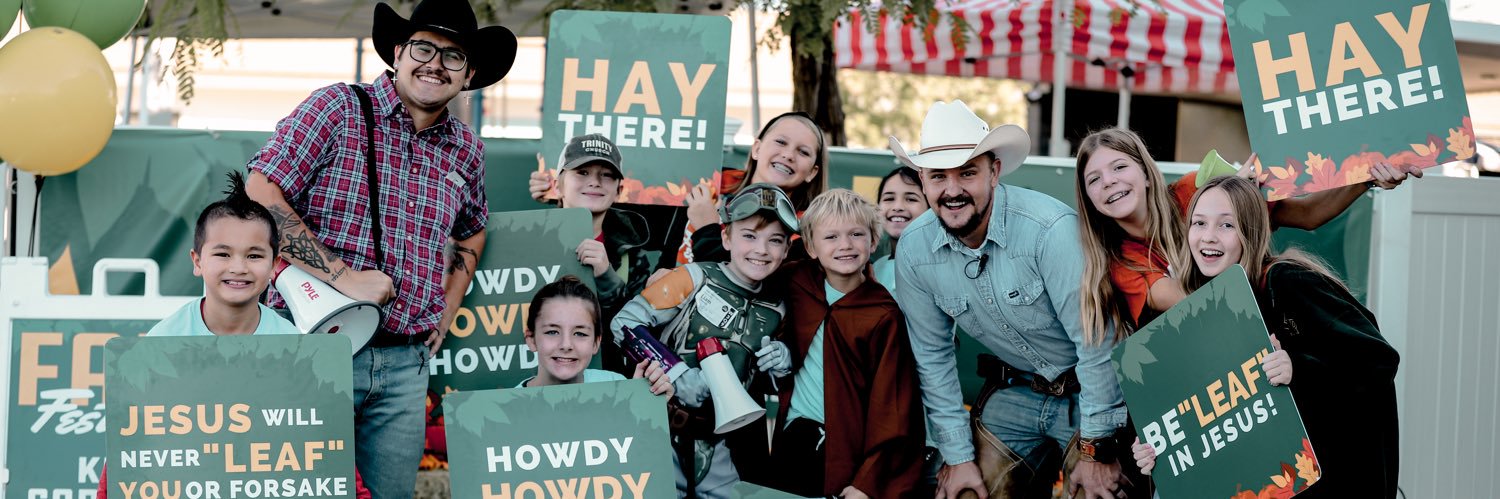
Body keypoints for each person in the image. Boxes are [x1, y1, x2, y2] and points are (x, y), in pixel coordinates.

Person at [242, 0, 516, 495]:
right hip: (314, 349)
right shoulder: (337, 108)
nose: (435, 64)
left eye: (453, 56)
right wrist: (343, 278)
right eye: (424, 47)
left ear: (469, 73)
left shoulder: (466, 148)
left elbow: (475, 226)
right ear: (398, 50)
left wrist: (450, 304)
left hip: (404, 366)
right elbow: (261, 189)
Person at [890, 100, 1128, 499]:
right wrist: (957, 455)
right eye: (937, 177)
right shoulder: (914, 250)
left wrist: (1097, 447)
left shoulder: (1049, 231)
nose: (952, 190)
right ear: (922, 178)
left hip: (1089, 393)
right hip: (1013, 392)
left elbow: (1096, 343)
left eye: (967, 173)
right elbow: (933, 356)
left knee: (1101, 494)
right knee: (965, 493)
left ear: (994, 171)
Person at [97, 172, 370, 498]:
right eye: (223, 254)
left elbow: (326, 445)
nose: (238, 267)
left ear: (274, 266)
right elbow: (131, 447)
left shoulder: (298, 350)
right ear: (197, 261)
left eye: (254, 255)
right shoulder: (161, 344)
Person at [1133, 175, 1398, 497]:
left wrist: (1297, 368)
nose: (1209, 237)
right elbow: (1206, 410)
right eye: (1199, 223)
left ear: (1252, 230)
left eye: (1227, 226)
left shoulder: (1287, 281)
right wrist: (1159, 445)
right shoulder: (1199, 309)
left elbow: (1378, 360)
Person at [1075, 127, 1421, 342]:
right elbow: (1196, 304)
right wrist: (1231, 207)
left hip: (1280, 336)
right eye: (1095, 179)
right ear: (1088, 197)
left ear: (1146, 173)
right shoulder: (1123, 262)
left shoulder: (1194, 188)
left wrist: (1369, 176)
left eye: (1119, 167)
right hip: (1218, 360)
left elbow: (1308, 214)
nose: (1110, 182)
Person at [609, 184, 799, 498]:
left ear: (786, 250)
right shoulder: (691, 277)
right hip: (659, 429)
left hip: (722, 444)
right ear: (726, 237)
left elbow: (770, 386)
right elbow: (625, 324)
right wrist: (676, 373)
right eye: (749, 235)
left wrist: (783, 362)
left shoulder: (779, 308)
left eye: (775, 240)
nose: (761, 250)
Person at [770, 189, 926, 498]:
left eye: (856, 234)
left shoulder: (884, 315)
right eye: (831, 237)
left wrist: (868, 482)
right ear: (811, 247)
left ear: (872, 241)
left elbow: (893, 408)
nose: (845, 245)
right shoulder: (796, 282)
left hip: (844, 453)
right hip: (789, 440)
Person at [547, 134, 654, 372]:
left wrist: (607, 278)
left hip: (604, 386)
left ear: (619, 189)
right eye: (582, 172)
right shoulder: (528, 239)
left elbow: (637, 335)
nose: (595, 182)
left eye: (607, 175)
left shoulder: (633, 256)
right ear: (557, 186)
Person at [517, 275, 673, 399]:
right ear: (531, 339)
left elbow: (641, 435)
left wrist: (646, 404)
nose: (566, 345)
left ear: (596, 342)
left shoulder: (616, 386)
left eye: (580, 333)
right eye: (552, 332)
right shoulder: (508, 407)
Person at [872, 166, 927, 291]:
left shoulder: (939, 266)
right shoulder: (875, 268)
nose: (897, 207)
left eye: (911, 199)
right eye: (889, 199)